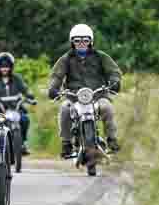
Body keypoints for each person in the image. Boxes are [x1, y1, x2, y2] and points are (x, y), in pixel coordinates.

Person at [47, 24, 122, 158]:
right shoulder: (66, 59)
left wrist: (114, 81)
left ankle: (112, 140)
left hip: (98, 95)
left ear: (90, 42)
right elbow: (56, 75)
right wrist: (53, 88)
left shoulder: (101, 56)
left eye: (85, 40)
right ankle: (66, 143)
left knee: (107, 107)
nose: (81, 43)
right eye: (77, 41)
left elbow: (114, 71)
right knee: (65, 108)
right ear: (72, 42)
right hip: (74, 97)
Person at [0, 52, 36, 155]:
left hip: (15, 108)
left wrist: (30, 96)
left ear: (11, 67)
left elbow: (25, 90)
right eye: (2, 67)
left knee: (25, 119)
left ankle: (23, 143)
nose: (4, 69)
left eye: (7, 67)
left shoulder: (17, 79)